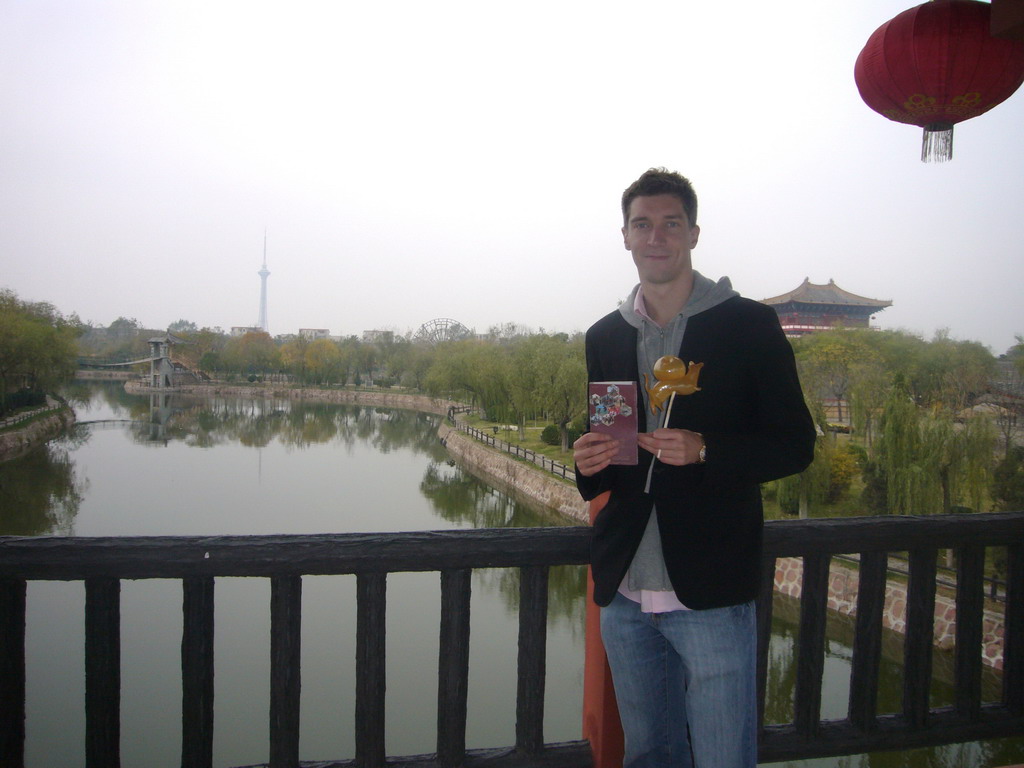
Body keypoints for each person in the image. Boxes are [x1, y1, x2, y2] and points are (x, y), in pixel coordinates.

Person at [573, 168, 816, 768]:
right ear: (625, 236)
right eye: (642, 224)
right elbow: (611, 460)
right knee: (649, 755)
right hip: (626, 588)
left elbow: (794, 444)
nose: (656, 236)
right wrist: (588, 461)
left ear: (694, 234)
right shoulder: (606, 335)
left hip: (710, 591)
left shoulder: (747, 325)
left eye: (670, 224)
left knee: (721, 757)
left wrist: (706, 450)